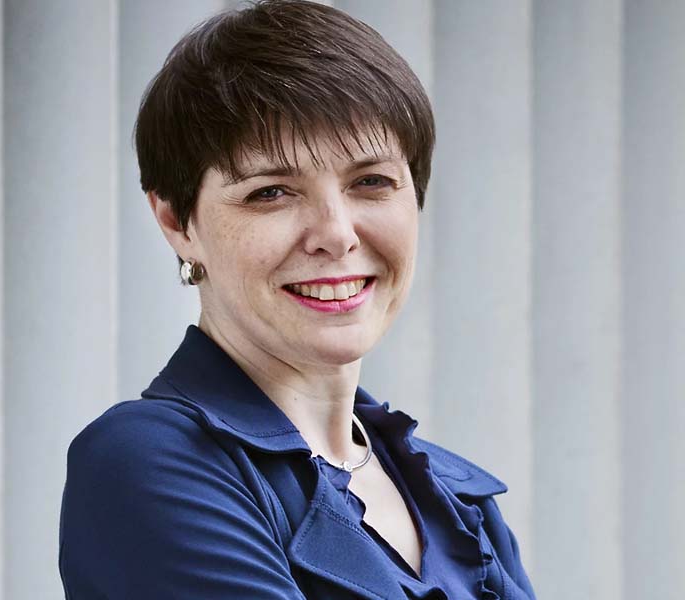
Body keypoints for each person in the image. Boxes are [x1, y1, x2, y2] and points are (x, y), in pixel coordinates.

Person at [58, 1, 536, 598]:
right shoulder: (147, 463)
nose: (337, 234)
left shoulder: (459, 502)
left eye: (371, 182)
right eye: (271, 192)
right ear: (178, 222)